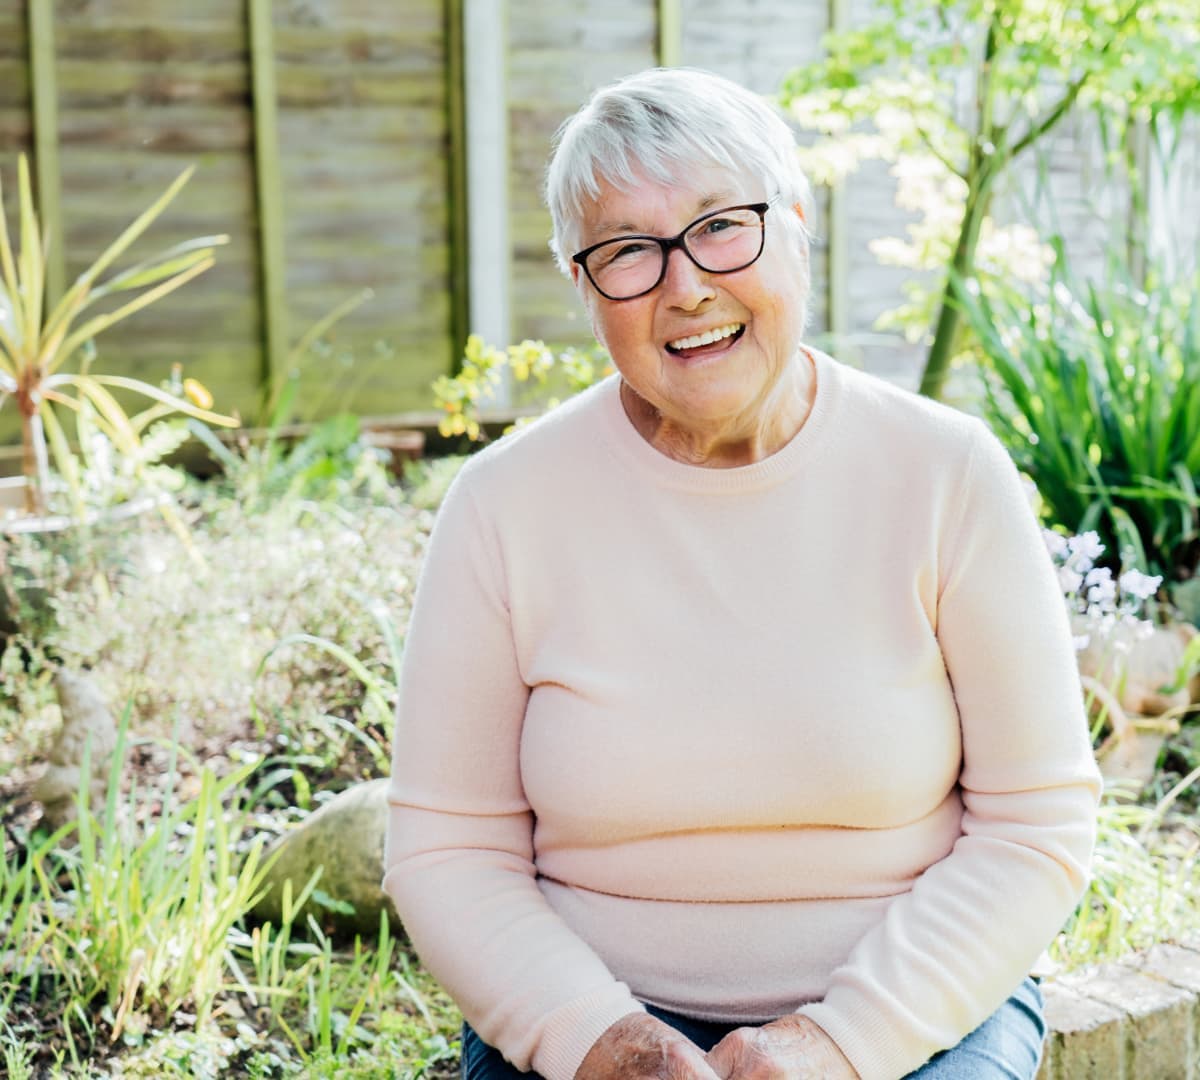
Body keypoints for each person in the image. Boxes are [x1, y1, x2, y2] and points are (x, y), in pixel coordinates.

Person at [383, 67, 1101, 1080]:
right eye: (629, 250)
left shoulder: (947, 475)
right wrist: (608, 1043)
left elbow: (1037, 826)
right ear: (587, 289)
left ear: (796, 223)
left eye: (722, 225)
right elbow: (448, 852)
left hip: (917, 1015)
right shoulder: (504, 507)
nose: (686, 284)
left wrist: (839, 1043)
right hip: (590, 1019)